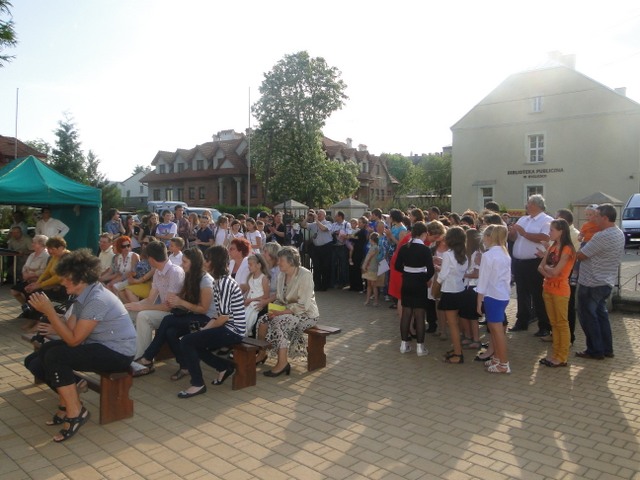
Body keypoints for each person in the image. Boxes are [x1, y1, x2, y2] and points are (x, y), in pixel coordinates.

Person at [24, 249, 136, 442]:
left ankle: (75, 412)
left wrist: (50, 311)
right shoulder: (83, 294)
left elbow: (74, 340)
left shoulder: (97, 299)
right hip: (99, 345)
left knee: (56, 356)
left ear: (81, 279)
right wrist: (52, 321)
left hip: (118, 353)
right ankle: (67, 404)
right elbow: (70, 329)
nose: (62, 282)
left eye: (66, 279)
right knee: (47, 351)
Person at [135, 247, 216, 380]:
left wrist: (181, 302)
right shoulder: (190, 276)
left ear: (194, 263)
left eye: (184, 262)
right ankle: (184, 366)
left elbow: (204, 309)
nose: (181, 265)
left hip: (208, 319)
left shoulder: (206, 281)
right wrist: (176, 303)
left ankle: (147, 357)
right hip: (194, 315)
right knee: (170, 332)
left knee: (168, 320)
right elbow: (188, 302)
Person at [176, 246, 246, 398]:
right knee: (192, 341)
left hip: (234, 330)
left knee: (187, 341)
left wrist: (205, 330)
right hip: (227, 327)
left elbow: (223, 317)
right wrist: (204, 330)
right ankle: (223, 367)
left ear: (215, 262)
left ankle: (198, 384)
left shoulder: (224, 283)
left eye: (207, 260)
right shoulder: (218, 281)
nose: (204, 263)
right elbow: (218, 315)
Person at [255, 247, 319, 376]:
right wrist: (274, 310)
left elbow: (303, 305)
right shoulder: (281, 275)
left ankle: (283, 363)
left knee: (279, 322)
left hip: (306, 314)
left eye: (281, 260)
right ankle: (262, 353)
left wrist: (281, 313)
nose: (278, 262)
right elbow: (280, 299)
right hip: (286, 311)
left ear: (291, 261)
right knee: (263, 320)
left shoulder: (305, 275)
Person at [575, 204, 625, 360]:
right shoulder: (619, 233)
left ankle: (595, 350)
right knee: (600, 315)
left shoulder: (601, 236)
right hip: (605, 281)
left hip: (592, 283)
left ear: (605, 218)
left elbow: (581, 255)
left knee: (588, 317)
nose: (593, 219)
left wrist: (574, 250)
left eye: (596, 216)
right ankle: (606, 348)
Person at [124, 240, 185, 362]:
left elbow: (169, 306)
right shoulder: (158, 272)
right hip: (165, 311)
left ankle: (142, 357)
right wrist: (131, 305)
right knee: (126, 312)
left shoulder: (175, 272)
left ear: (151, 259)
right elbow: (150, 299)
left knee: (143, 316)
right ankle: (129, 350)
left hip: (176, 314)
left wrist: (141, 307)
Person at [507, 194, 553, 336]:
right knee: (521, 293)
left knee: (538, 294)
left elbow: (545, 238)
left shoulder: (547, 220)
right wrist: (512, 233)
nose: (526, 206)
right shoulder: (523, 219)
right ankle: (522, 321)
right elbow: (515, 238)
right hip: (519, 262)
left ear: (536, 205)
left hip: (535, 262)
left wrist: (524, 233)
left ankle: (544, 326)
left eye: (529, 203)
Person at [537, 219, 576, 367]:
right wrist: (549, 271)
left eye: (552, 230)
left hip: (560, 290)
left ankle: (562, 357)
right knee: (554, 323)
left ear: (561, 231)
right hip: (548, 288)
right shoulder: (552, 246)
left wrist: (548, 270)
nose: (549, 233)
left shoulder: (567, 249)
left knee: (561, 323)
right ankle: (555, 354)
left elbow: (555, 271)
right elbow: (540, 267)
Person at [394, 221, 435, 356]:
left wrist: (407, 271)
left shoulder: (404, 247)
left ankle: (403, 345)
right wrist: (423, 278)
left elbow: (397, 266)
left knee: (406, 313)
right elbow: (431, 270)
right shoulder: (425, 249)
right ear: (424, 234)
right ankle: (420, 348)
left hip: (407, 282)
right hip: (419, 283)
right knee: (419, 314)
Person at [476, 225, 512, 373]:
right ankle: (497, 358)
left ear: (489, 237)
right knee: (493, 328)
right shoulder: (504, 252)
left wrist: (479, 301)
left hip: (493, 296)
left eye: (484, 236)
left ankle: (503, 364)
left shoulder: (489, 255)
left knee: (497, 331)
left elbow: (483, 280)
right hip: (502, 295)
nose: (483, 239)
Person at [437, 226, 468, 364]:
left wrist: (435, 286)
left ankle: (458, 353)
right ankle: (457, 348)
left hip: (449, 291)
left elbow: (443, 275)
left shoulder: (448, 255)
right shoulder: (464, 255)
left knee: (452, 325)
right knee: (456, 323)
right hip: (460, 290)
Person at [23, 236, 70, 303]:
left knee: (37, 294)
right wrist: (37, 283)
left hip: (65, 287)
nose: (50, 251)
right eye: (48, 249)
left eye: (52, 249)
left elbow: (58, 277)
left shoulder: (67, 258)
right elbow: (46, 272)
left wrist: (40, 285)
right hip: (54, 284)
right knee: (32, 292)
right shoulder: (54, 256)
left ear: (61, 248)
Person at [10, 234, 49, 306]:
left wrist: (30, 275)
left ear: (41, 244)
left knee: (30, 292)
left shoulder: (46, 256)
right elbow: (25, 267)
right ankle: (26, 306)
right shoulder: (32, 254)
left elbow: (43, 271)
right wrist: (25, 274)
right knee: (14, 291)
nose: (32, 244)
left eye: (34, 242)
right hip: (28, 280)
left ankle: (30, 308)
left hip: (39, 282)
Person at [304, 209, 333, 291]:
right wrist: (307, 217)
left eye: (320, 214)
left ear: (324, 215)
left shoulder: (328, 223)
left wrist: (316, 220)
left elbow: (323, 229)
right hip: (316, 248)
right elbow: (303, 225)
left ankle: (325, 285)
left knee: (325, 266)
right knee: (316, 267)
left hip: (326, 247)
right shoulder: (313, 224)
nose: (318, 215)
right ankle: (317, 285)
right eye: (318, 214)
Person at [121, 236, 155, 302]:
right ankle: (130, 307)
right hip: (137, 280)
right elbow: (135, 270)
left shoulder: (154, 257)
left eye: (146, 243)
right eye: (143, 243)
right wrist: (131, 276)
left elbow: (151, 272)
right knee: (121, 292)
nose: (144, 245)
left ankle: (138, 307)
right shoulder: (143, 256)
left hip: (148, 283)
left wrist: (136, 281)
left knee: (127, 290)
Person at [244, 253, 271, 337]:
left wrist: (251, 300)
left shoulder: (263, 278)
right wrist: (245, 299)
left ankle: (247, 333)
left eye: (251, 264)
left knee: (250, 316)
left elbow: (266, 295)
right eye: (248, 264)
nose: (249, 266)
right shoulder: (250, 277)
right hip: (249, 302)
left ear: (258, 265)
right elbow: (249, 290)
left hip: (257, 302)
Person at [362, 232, 381, 307]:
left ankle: (375, 301)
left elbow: (369, 257)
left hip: (371, 268)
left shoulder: (374, 247)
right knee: (370, 285)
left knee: (373, 285)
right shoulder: (374, 247)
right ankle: (368, 300)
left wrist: (364, 265)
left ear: (371, 239)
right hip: (371, 268)